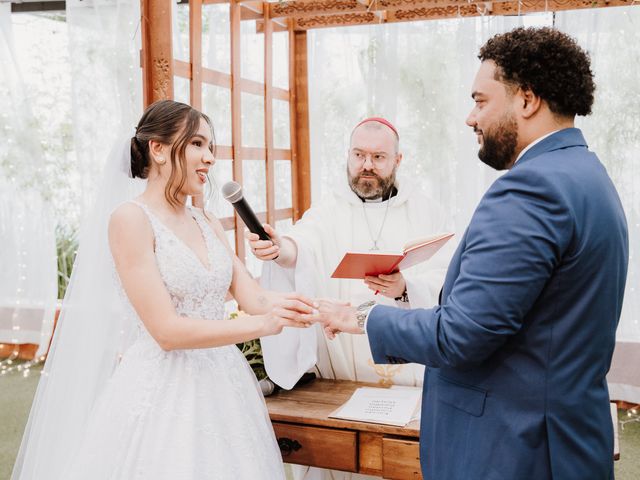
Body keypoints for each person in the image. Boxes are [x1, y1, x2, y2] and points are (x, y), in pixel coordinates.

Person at [311, 27, 628, 480]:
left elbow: (464, 333)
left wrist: (361, 317)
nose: (470, 117)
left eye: (480, 100)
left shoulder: (531, 189)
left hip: (514, 447)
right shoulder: (587, 174)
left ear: (527, 100)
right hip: (565, 436)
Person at [12, 100, 315, 480]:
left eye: (211, 149)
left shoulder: (206, 219)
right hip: (163, 391)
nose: (208, 159)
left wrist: (313, 308)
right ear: (157, 149)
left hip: (225, 385)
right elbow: (167, 332)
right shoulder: (130, 219)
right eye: (197, 145)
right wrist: (265, 325)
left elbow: (253, 297)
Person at [247, 118, 453, 391]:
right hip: (341, 373)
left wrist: (405, 288)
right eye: (359, 155)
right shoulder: (329, 209)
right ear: (348, 155)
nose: (367, 165)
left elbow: (447, 277)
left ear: (398, 159)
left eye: (378, 157)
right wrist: (278, 248)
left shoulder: (428, 212)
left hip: (411, 376)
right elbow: (302, 246)